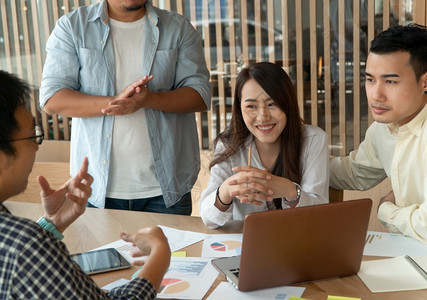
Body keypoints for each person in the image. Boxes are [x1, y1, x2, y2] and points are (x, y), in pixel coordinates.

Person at [0, 70, 170, 298]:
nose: (37, 146)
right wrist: (160, 255)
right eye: (32, 136)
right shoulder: (24, 246)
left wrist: (52, 224)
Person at [39, 0, 211, 215]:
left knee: (168, 250)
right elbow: (52, 98)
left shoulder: (177, 27)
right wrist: (115, 103)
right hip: (95, 189)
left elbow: (200, 95)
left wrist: (149, 100)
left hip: (168, 190)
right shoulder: (73, 26)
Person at [330, 24, 427, 246]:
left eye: (390, 81)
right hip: (419, 255)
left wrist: (386, 210)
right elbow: (354, 172)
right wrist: (292, 158)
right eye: (370, 80)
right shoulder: (383, 127)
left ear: (426, 82)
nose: (376, 94)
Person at [199, 62, 329, 228]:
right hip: (244, 245)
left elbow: (319, 216)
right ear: (240, 109)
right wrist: (226, 190)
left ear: (288, 104)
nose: (263, 117)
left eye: (272, 104)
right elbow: (208, 220)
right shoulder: (228, 144)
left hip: (298, 243)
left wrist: (289, 191)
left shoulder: (313, 139)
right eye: (251, 106)